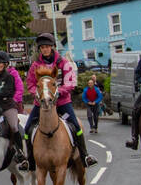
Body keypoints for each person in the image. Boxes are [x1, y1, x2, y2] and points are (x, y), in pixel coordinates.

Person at [23, 33, 97, 170]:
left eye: (47, 47)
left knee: (76, 126)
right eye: (42, 47)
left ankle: (85, 155)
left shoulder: (64, 63)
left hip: (62, 103)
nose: (45, 49)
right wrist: (39, 94)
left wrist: (57, 93)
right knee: (27, 128)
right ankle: (29, 160)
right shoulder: (35, 66)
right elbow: (31, 84)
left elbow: (71, 83)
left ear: (53, 47)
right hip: (42, 104)